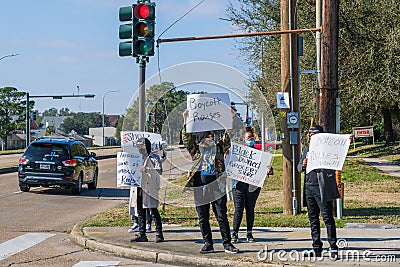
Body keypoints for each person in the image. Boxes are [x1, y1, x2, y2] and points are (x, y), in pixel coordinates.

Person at [182, 109, 239, 254]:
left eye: (211, 135)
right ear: (201, 138)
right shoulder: (195, 151)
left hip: (217, 187)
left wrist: (231, 119)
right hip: (200, 187)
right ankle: (208, 243)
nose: (210, 137)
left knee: (221, 215)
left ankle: (227, 244)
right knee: (203, 216)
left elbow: (228, 137)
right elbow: (186, 138)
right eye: (207, 136)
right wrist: (185, 120)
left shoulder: (219, 148)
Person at [297, 125, 339, 258]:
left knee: (327, 218)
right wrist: (302, 165)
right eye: (309, 133)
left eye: (313, 133)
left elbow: (339, 151)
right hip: (308, 188)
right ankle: (316, 248)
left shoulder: (327, 150)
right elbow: (298, 167)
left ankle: (333, 247)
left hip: (321, 188)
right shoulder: (307, 150)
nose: (310, 135)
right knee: (313, 219)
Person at [231, 128, 262, 243]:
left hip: (252, 186)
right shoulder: (238, 152)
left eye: (252, 138)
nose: (250, 140)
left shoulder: (258, 154)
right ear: (244, 139)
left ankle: (249, 233)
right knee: (238, 209)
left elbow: (263, 168)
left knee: (250, 209)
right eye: (248, 138)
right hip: (239, 185)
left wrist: (268, 170)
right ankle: (234, 233)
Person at [130, 138, 164, 243]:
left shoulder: (154, 157)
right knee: (140, 211)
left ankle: (159, 234)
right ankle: (142, 234)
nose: (140, 148)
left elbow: (159, 171)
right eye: (138, 146)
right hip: (139, 186)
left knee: (153, 211)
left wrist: (147, 170)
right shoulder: (136, 158)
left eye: (142, 146)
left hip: (150, 187)